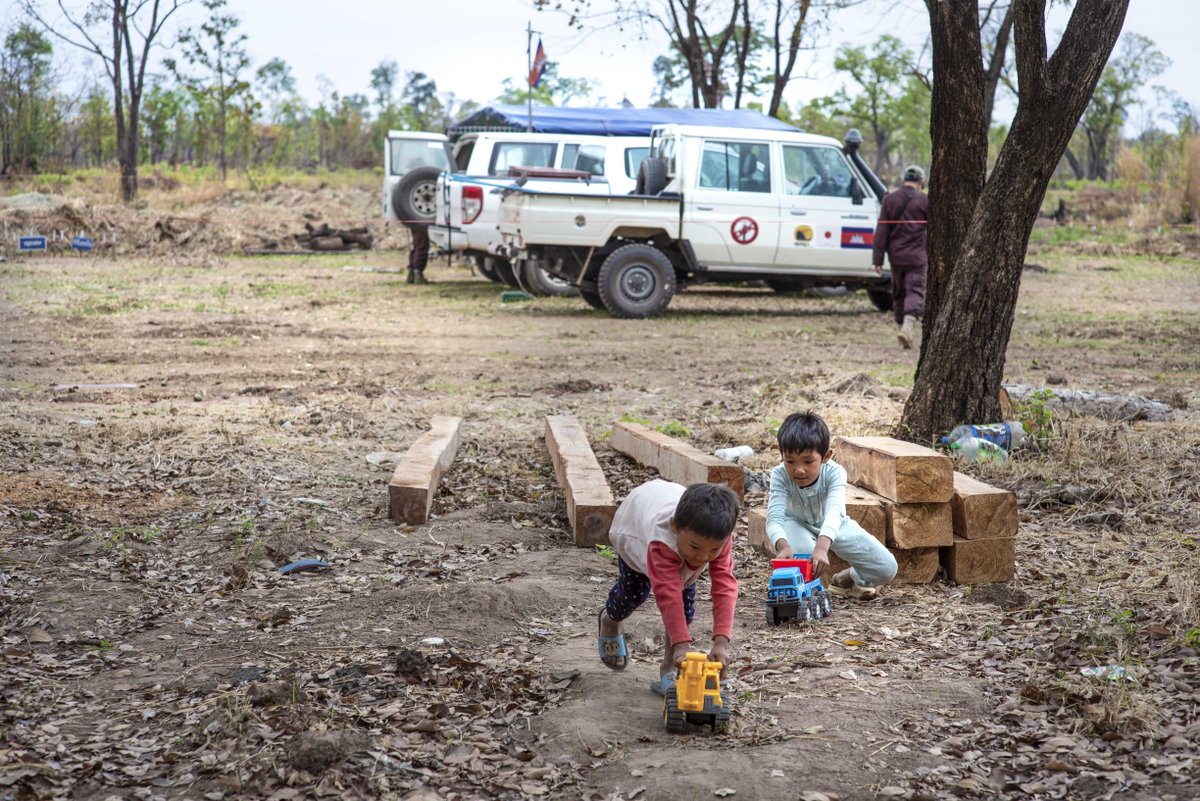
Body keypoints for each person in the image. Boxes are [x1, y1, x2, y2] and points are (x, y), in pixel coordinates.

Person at [596, 480, 740, 695]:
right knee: (633, 594)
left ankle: (669, 666)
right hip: (635, 530)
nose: (703, 557)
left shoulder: (716, 535)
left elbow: (725, 586)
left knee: (684, 607)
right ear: (674, 526)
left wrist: (721, 641)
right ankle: (610, 620)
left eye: (713, 550)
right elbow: (668, 595)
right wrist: (682, 646)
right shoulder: (661, 541)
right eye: (695, 547)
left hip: (669, 522)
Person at [767, 411, 897, 601]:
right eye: (790, 461)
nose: (799, 469)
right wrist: (783, 545)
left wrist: (822, 547)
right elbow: (774, 519)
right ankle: (806, 594)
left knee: (887, 567)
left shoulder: (835, 473)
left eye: (808, 461)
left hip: (835, 524)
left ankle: (845, 579)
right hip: (796, 524)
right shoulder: (779, 475)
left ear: (826, 456)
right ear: (782, 456)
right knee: (802, 555)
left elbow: (835, 512)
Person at [872, 164, 929, 350]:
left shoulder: (890, 200)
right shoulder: (924, 201)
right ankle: (908, 325)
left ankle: (901, 328)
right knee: (915, 289)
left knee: (899, 290)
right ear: (921, 182)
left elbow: (882, 230)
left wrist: (878, 259)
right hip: (917, 256)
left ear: (903, 180)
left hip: (895, 256)